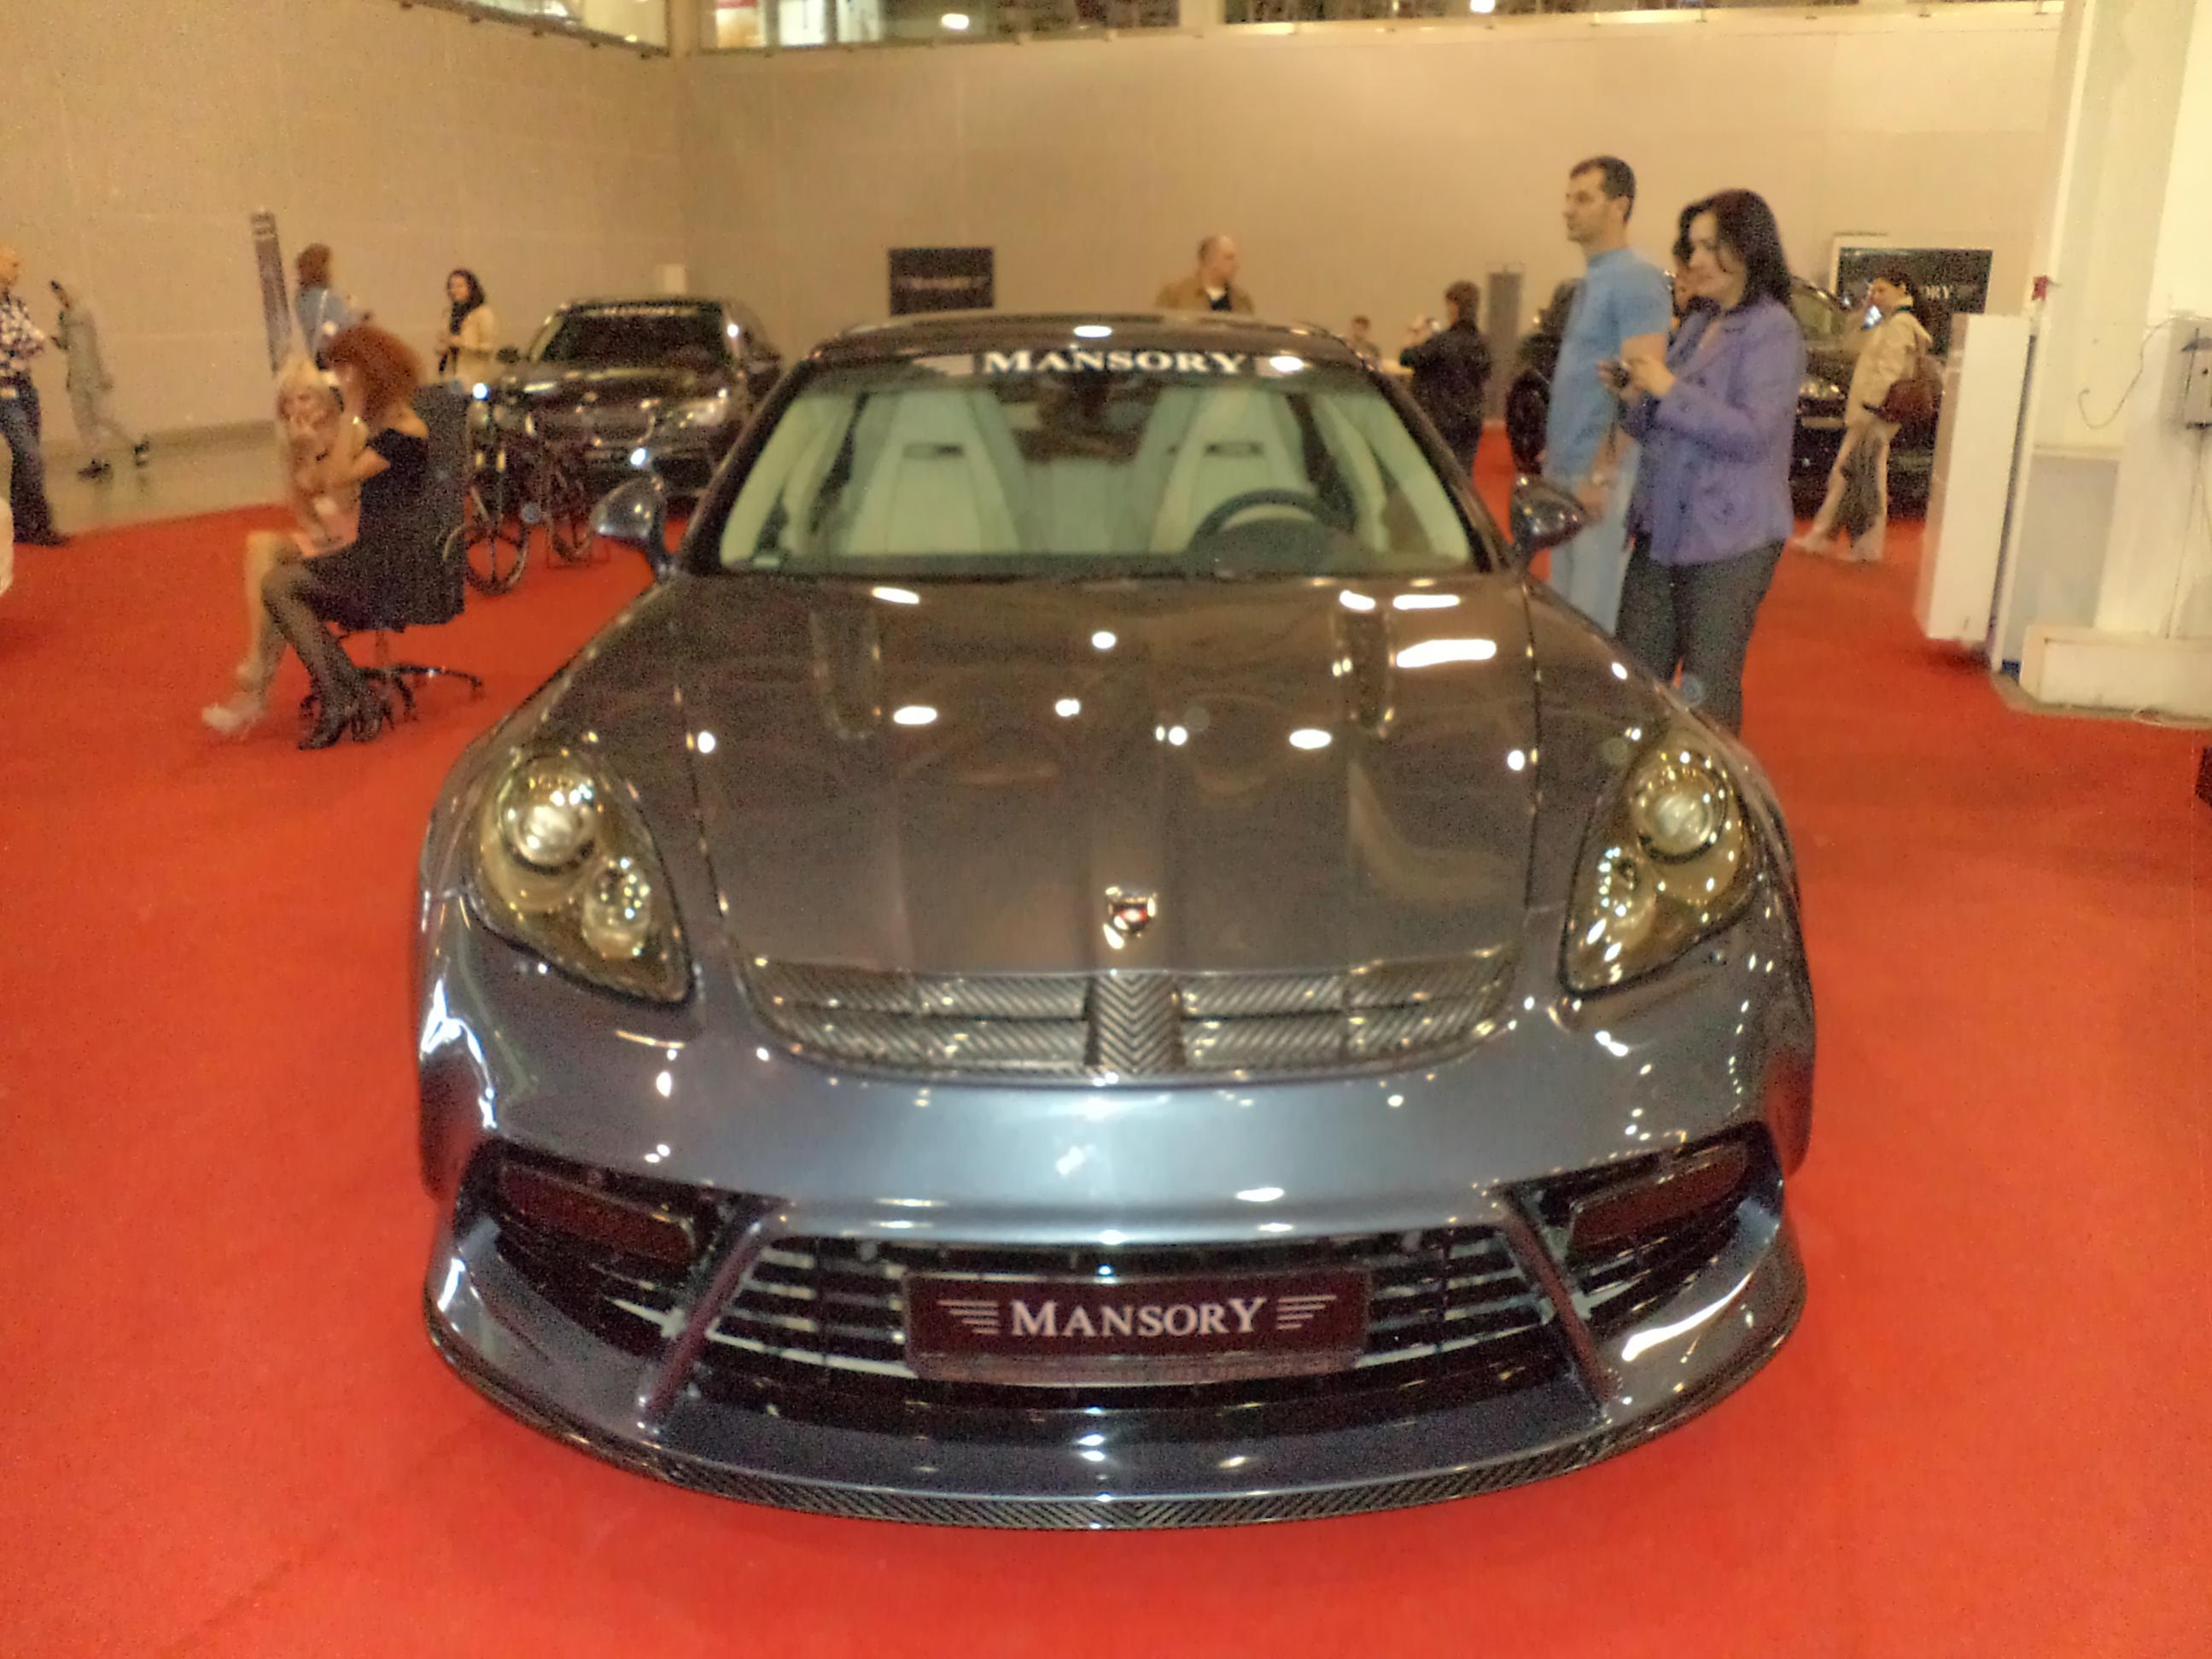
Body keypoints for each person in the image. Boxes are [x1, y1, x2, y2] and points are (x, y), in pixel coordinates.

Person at [1608, 189, 1805, 735]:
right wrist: (1632, 393)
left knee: (1706, 688)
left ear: (1746, 249)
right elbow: (1655, 422)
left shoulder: (1772, 330)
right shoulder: (1699, 323)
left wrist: (1668, 388)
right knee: (1634, 677)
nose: (1692, 260)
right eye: (1690, 246)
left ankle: (1710, 782)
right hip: (1662, 527)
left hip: (1729, 538)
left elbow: (1752, 434)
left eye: (1707, 247)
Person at [260, 324, 432, 749]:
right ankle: (349, 694)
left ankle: (343, 696)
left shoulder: (403, 433)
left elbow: (337, 478)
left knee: (280, 586)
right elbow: (319, 487)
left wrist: (351, 412)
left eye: (343, 371)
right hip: (371, 555)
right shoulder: (383, 426)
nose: (338, 381)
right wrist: (310, 446)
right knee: (279, 579)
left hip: (389, 567)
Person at [1542, 157, 1675, 632]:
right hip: (1568, 470)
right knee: (1565, 615)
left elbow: (1641, 385)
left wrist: (1602, 472)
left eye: (1583, 198)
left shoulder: (1636, 279)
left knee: (1591, 621)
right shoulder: (1594, 278)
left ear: (1619, 207)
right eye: (1568, 198)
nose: (1568, 209)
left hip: (1599, 478)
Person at [202, 359, 366, 737]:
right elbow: (306, 514)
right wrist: (302, 454)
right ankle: (256, 670)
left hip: (363, 542)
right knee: (261, 547)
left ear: (326, 400)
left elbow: (343, 502)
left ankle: (254, 689)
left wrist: (314, 454)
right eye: (288, 401)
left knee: (278, 582)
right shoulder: (296, 444)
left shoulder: (350, 434)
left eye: (304, 398)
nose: (295, 408)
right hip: (329, 538)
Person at [1794, 267, 1934, 564]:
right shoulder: (1888, 322)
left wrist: (1870, 407)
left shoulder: (1900, 325)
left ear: (1902, 289)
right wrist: (1864, 312)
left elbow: (1888, 371)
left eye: (1882, 290)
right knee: (1857, 476)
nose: (1875, 296)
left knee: (1857, 476)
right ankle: (1841, 540)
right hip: (1873, 413)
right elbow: (1850, 344)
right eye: (1873, 290)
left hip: (1875, 414)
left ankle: (1850, 543)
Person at [0, 242, 67, 546]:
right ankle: (40, 521)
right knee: (30, 456)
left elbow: (31, 342)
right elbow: (20, 339)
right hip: (4, 390)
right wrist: (28, 340)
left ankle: (23, 523)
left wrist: (27, 340)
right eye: (12, 264)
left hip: (25, 386)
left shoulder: (17, 304)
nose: (18, 270)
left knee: (26, 458)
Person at [52, 278, 149, 480]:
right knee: (83, 419)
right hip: (77, 376)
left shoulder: (89, 309)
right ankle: (98, 460)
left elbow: (101, 341)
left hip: (96, 374)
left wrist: (107, 370)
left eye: (61, 291)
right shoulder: (64, 315)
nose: (60, 297)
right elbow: (68, 345)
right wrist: (57, 342)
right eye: (57, 293)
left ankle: (138, 442)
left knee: (105, 415)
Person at [1399, 281, 1492, 477]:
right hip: (1471, 420)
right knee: (1463, 475)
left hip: (1443, 420)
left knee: (1440, 475)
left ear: (1453, 306)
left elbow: (1406, 358)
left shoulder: (1442, 342)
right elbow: (1486, 374)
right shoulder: (1483, 343)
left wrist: (1414, 331)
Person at [294, 243, 364, 370]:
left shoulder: (301, 298)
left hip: (317, 356)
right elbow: (342, 328)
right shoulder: (329, 298)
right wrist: (356, 314)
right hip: (335, 357)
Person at [1155, 236, 1254, 314]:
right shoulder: (1175, 295)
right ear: (1210, 259)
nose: (1235, 264)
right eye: (1229, 257)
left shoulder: (1241, 300)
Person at [437, 269, 499, 385]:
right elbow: (442, 340)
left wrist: (462, 343)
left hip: (474, 375)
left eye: (460, 286)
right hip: (451, 373)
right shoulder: (449, 313)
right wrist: (443, 346)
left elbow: (488, 348)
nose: (454, 291)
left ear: (471, 288)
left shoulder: (483, 313)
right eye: (451, 287)